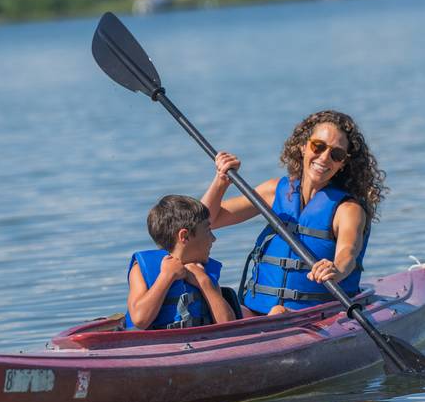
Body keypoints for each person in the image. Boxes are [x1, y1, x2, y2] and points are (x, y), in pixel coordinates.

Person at [201, 110, 387, 316]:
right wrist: (220, 181)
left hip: (312, 316)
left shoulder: (348, 210)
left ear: (343, 163)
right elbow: (207, 222)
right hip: (256, 311)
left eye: (337, 154)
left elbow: (348, 253)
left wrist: (336, 269)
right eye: (319, 146)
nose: (324, 158)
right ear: (303, 146)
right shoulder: (274, 191)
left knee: (278, 312)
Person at [125, 195, 236, 329]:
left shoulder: (204, 272)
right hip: (152, 346)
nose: (213, 239)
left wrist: (204, 282)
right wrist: (166, 277)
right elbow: (140, 320)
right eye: (207, 231)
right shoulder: (140, 271)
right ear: (184, 236)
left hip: (200, 343)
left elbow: (229, 325)